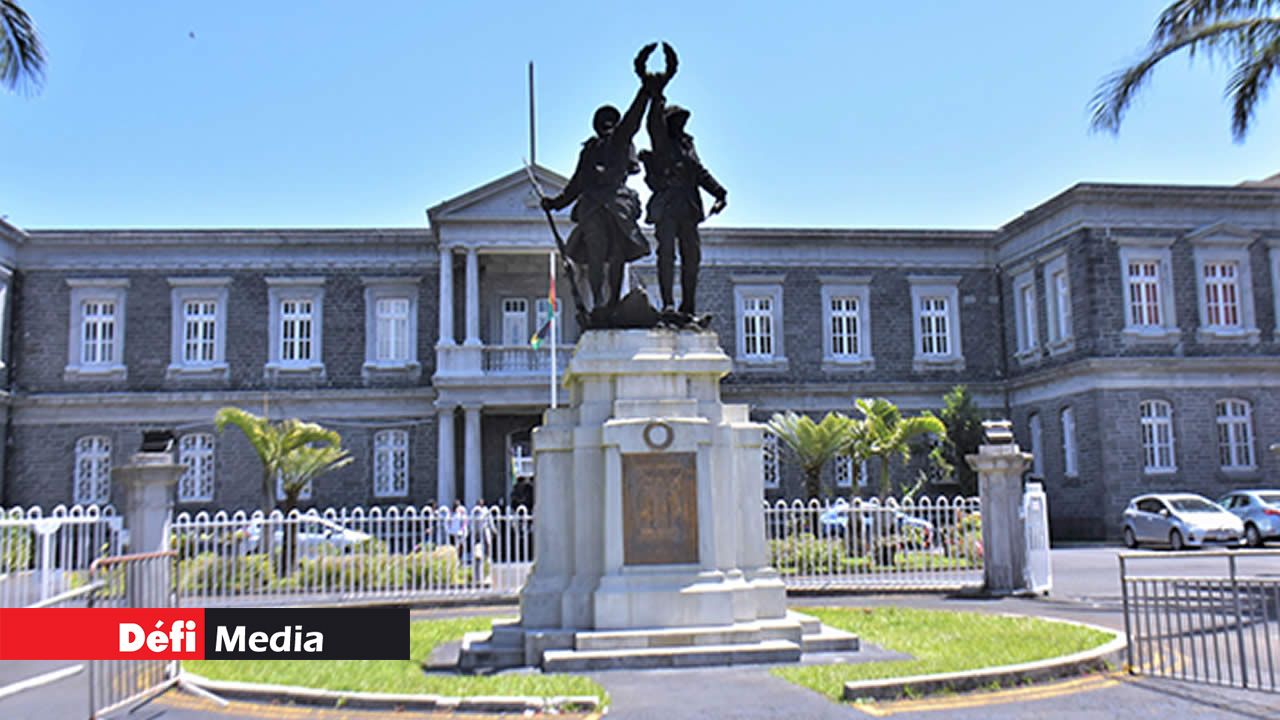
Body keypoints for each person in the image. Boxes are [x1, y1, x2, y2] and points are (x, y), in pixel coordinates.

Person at [541, 45, 657, 324]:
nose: (607, 125)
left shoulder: (621, 141)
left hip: (617, 203)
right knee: (596, 255)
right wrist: (555, 203)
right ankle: (599, 304)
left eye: (611, 121)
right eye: (602, 122)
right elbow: (576, 183)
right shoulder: (589, 150)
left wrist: (645, 90)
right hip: (592, 205)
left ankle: (614, 302)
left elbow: (634, 119)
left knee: (618, 254)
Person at [636, 44, 727, 317]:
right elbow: (651, 122)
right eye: (676, 120)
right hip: (667, 205)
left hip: (688, 206)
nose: (681, 124)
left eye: (682, 120)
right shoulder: (661, 142)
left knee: (692, 258)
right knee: (666, 257)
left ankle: (688, 307)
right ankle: (667, 304)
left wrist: (719, 192)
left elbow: (699, 172)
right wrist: (657, 92)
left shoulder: (687, 145)